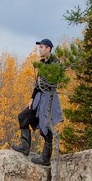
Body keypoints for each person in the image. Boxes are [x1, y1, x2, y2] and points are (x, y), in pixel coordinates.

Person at [15, 38, 62, 166]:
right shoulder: (42, 64)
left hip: (48, 98)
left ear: (48, 48)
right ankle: (25, 147)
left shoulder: (56, 63)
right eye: (39, 47)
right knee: (23, 116)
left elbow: (51, 83)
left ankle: (45, 158)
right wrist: (32, 98)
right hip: (38, 97)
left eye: (42, 47)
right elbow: (38, 84)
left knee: (45, 128)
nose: (39, 49)